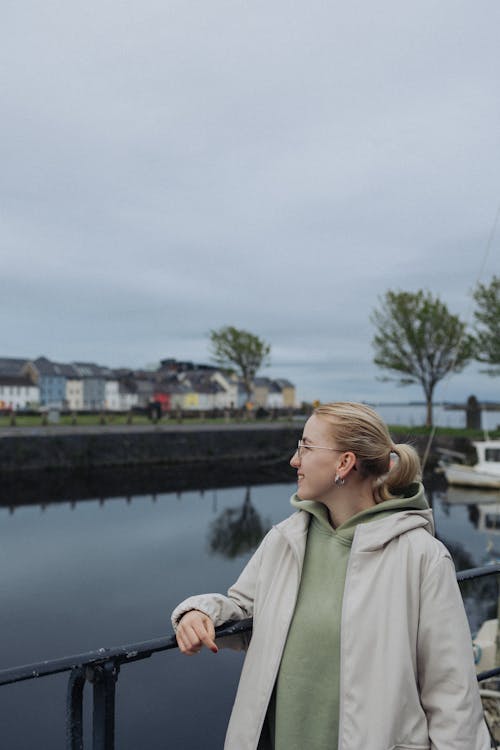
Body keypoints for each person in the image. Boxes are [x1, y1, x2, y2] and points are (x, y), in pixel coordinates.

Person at [172, 402, 490, 750]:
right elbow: (244, 611)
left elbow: (452, 696)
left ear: (345, 463)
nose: (295, 460)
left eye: (306, 447)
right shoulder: (285, 539)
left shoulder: (422, 558)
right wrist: (200, 612)